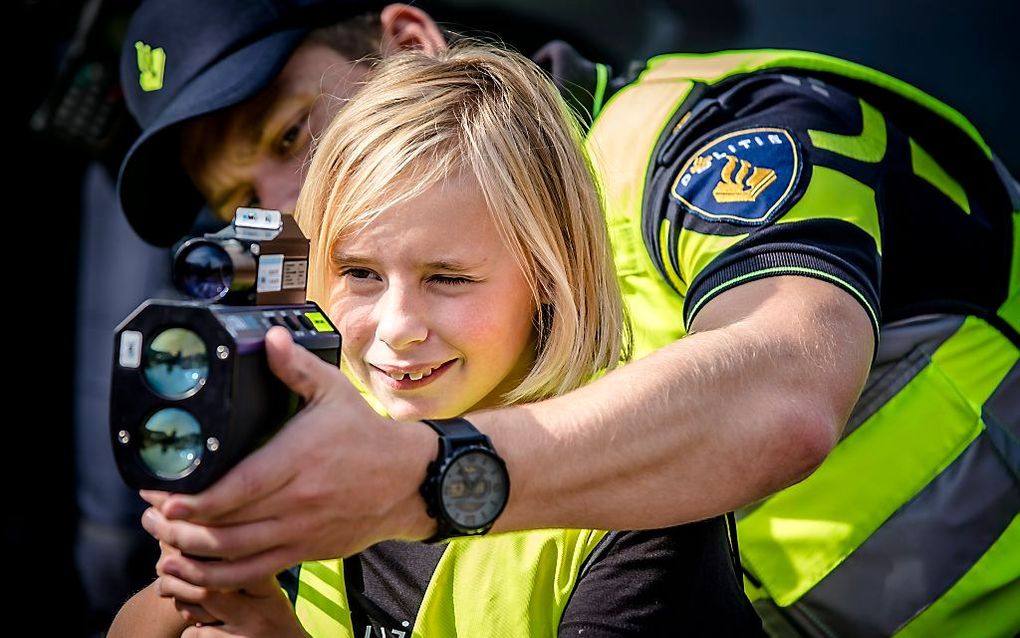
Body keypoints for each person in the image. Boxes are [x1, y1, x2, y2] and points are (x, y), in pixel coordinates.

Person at [114, 1, 1019, 635]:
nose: (287, 212)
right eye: (237, 198)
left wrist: (427, 482)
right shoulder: (353, 372)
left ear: (410, 44)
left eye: (290, 135)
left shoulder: (720, 133)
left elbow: (785, 385)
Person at [109, 43, 764, 637]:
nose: (397, 326)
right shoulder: (302, 433)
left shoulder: (638, 498)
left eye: (447, 278)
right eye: (359, 272)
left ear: (546, 273)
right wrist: (204, 575)